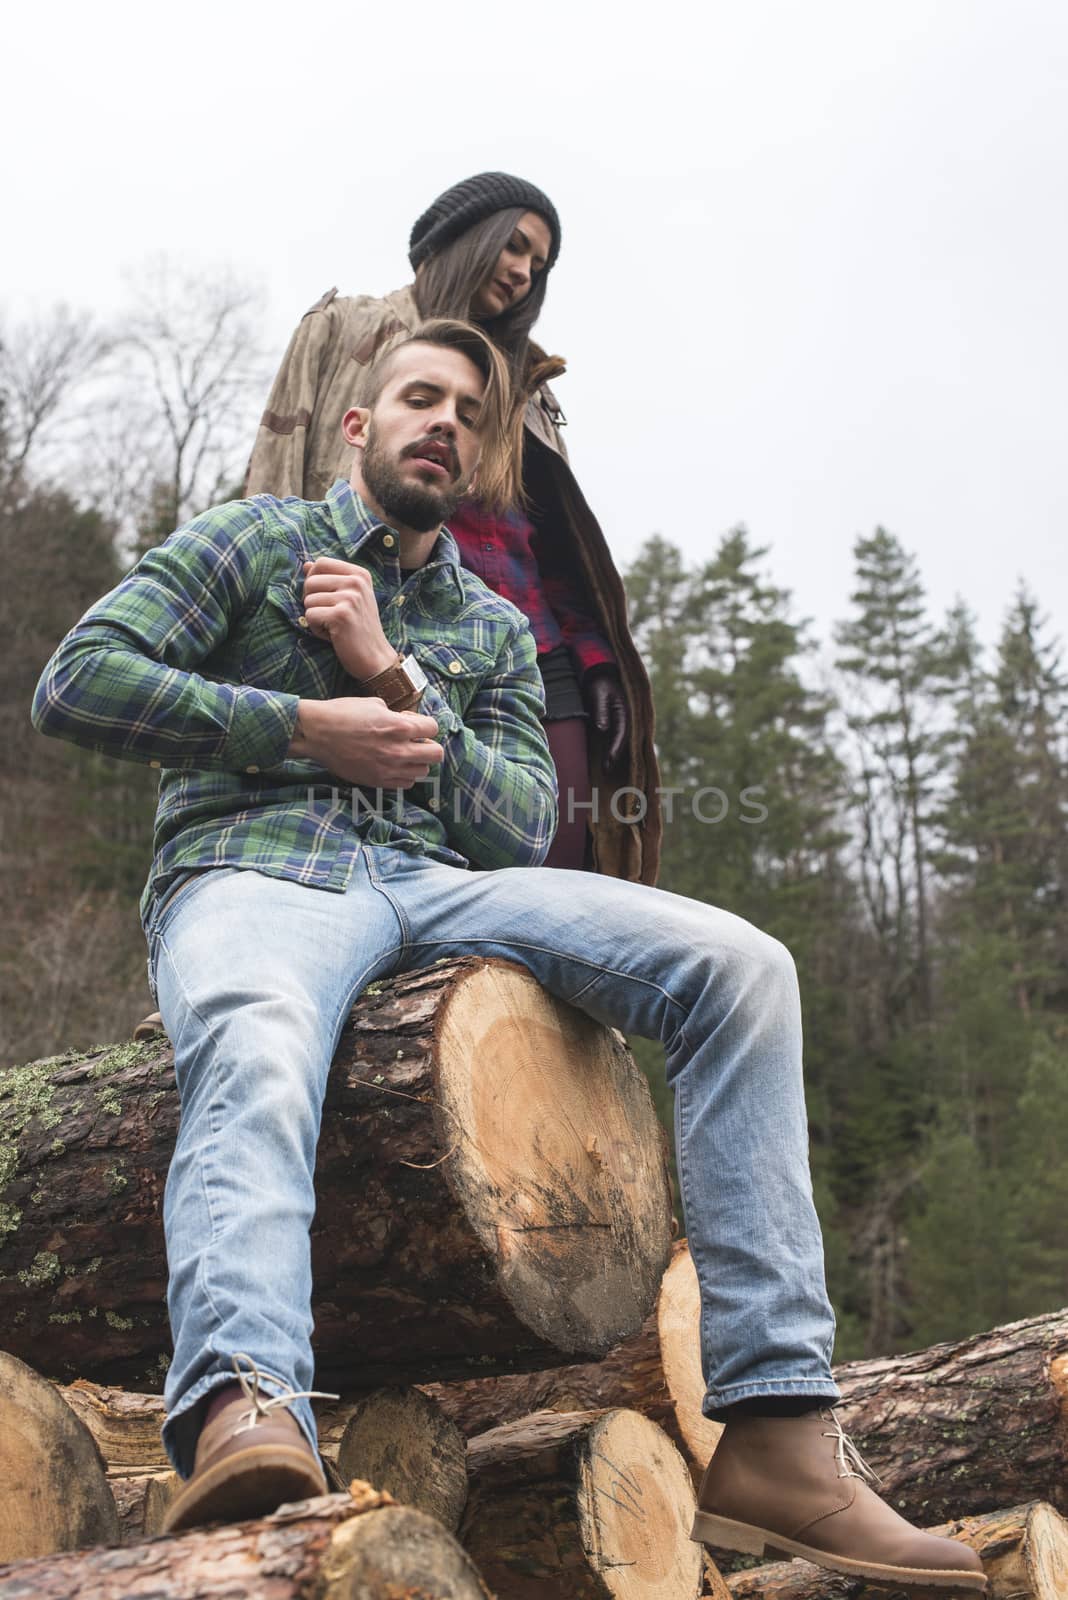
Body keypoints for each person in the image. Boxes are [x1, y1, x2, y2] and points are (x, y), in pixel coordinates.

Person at [32, 321, 984, 1591]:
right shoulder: (253, 542)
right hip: (258, 873)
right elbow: (78, 679)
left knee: (743, 966)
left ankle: (780, 1437)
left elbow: (520, 822)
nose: (446, 421)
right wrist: (305, 726)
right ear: (359, 427)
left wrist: (395, 674)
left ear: (479, 459)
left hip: (436, 891)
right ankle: (245, 1402)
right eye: (419, 398)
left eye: (470, 414)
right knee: (256, 1044)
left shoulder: (484, 624)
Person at [246, 171, 660, 882]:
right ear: (462, 236)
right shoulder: (348, 329)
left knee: (549, 885)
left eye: (541, 263)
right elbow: (275, 475)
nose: (526, 271)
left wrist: (597, 665)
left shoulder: (530, 393)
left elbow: (555, 552)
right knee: (391, 870)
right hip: (386, 633)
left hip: (532, 661)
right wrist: (260, 628)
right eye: (517, 245)